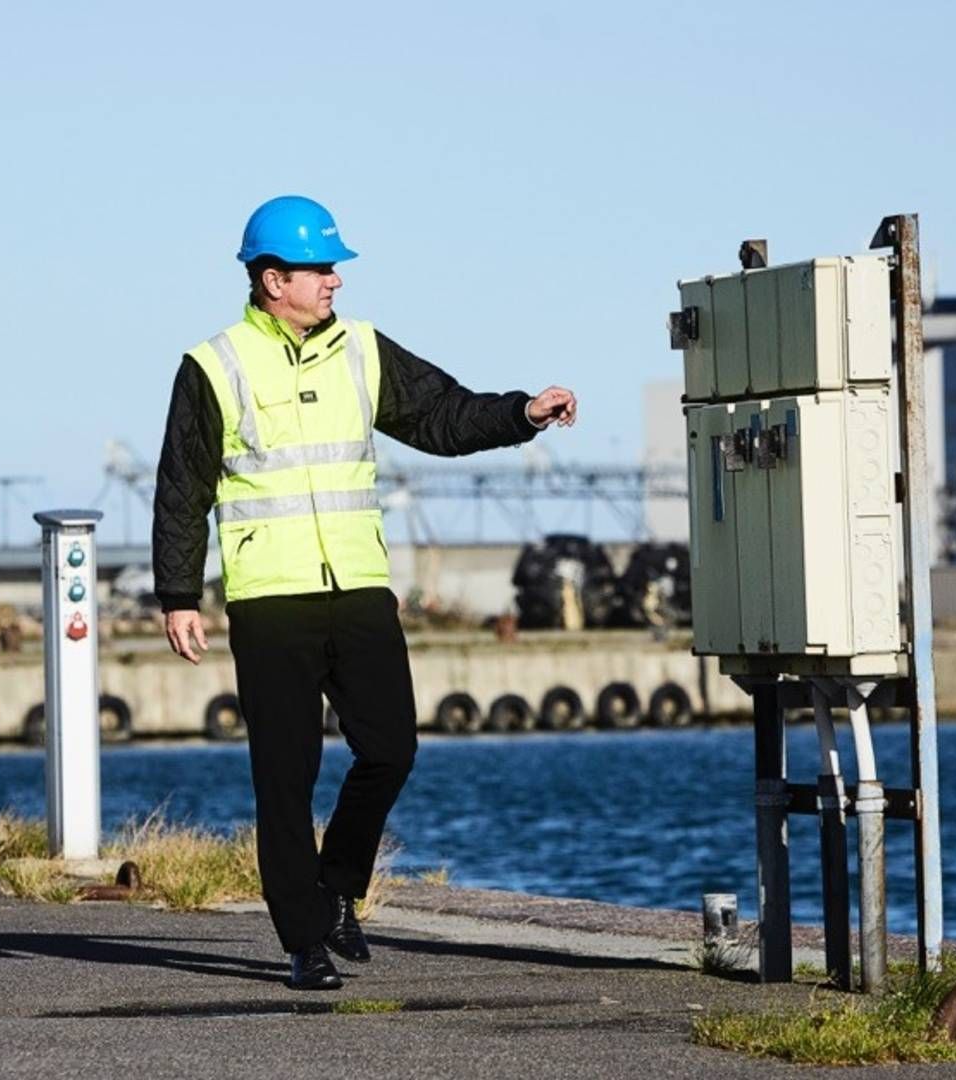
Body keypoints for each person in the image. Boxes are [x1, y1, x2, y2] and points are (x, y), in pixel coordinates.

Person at [151, 195, 577, 990]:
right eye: (321, 268)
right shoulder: (215, 365)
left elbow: (444, 416)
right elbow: (183, 487)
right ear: (274, 279)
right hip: (269, 597)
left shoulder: (362, 352)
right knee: (284, 775)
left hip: (358, 588)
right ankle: (303, 941)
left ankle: (340, 886)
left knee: (391, 748)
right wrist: (178, 593)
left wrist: (522, 412)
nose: (335, 280)